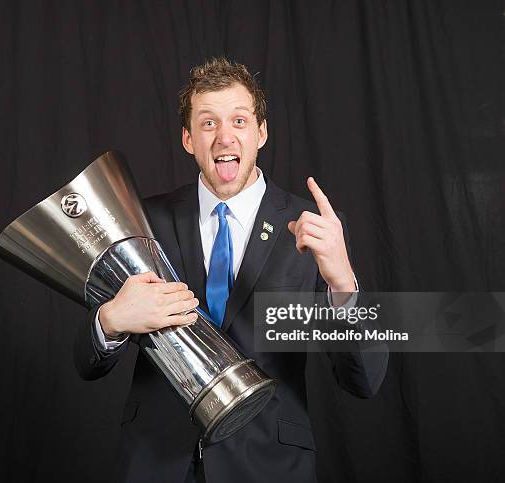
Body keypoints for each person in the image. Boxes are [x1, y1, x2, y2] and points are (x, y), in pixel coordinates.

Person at [74, 57, 388, 483]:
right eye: (208, 123)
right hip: (154, 462)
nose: (224, 136)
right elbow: (87, 362)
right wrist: (110, 321)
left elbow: (363, 379)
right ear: (188, 139)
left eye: (239, 120)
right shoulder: (144, 221)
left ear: (260, 132)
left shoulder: (314, 227)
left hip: (269, 466)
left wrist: (343, 282)